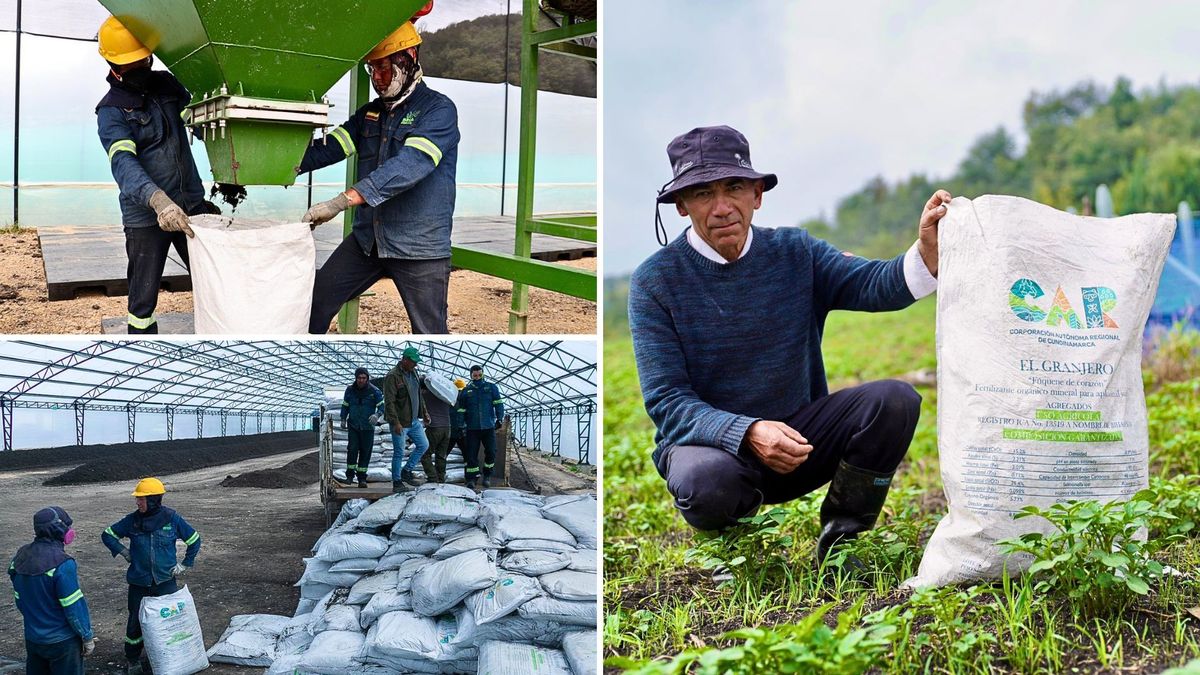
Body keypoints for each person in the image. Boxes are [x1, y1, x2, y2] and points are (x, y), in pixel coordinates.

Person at [629, 125, 949, 565]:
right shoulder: (655, 281)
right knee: (704, 479)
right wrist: (746, 432)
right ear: (682, 205)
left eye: (734, 187)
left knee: (893, 400)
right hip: (718, 453)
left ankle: (842, 540)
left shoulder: (796, 252)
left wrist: (926, 252)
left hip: (800, 441)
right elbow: (668, 401)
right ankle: (734, 547)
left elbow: (875, 284)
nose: (722, 207)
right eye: (703, 194)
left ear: (757, 194)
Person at [298, 19, 460, 334]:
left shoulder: (438, 110)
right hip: (367, 243)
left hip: (418, 248)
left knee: (430, 333)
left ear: (410, 60)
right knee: (315, 302)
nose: (379, 77)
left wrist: (342, 201)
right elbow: (332, 147)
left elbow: (411, 163)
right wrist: (279, 164)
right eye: (373, 70)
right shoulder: (370, 114)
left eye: (386, 68)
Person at [95, 16, 219, 334]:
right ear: (114, 66)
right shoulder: (111, 111)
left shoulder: (167, 85)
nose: (140, 69)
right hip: (146, 217)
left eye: (144, 61)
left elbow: (199, 121)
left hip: (189, 206)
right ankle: (141, 344)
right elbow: (124, 164)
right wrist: (159, 201)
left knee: (214, 279)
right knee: (142, 300)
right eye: (131, 64)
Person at [101, 478, 201, 674]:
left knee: (169, 622)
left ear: (154, 499)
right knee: (135, 622)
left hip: (165, 582)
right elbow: (107, 534)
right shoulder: (132, 520)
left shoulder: (172, 519)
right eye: (138, 499)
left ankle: (170, 657)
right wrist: (123, 551)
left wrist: (185, 564)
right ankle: (133, 660)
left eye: (142, 499)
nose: (138, 502)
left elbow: (194, 540)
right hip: (139, 583)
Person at [9, 507, 95, 675]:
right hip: (63, 643)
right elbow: (74, 608)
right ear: (58, 528)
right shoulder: (63, 564)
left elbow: (19, 598)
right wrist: (87, 635)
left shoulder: (20, 556)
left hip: (33, 639)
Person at [384, 347, 431, 490]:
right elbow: (389, 402)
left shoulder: (414, 373)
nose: (415, 365)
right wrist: (395, 422)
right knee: (399, 452)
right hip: (401, 422)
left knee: (424, 445)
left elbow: (418, 396)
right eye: (413, 362)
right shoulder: (393, 376)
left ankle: (406, 471)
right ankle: (397, 482)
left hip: (414, 421)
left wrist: (425, 413)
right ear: (404, 359)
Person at [455, 365, 505, 489]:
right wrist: (461, 425)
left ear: (482, 374)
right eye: (474, 375)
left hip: (488, 427)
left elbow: (498, 403)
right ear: (471, 376)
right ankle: (472, 479)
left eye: (479, 375)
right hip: (472, 428)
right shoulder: (466, 391)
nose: (477, 377)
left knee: (491, 452)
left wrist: (499, 418)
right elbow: (461, 410)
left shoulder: (491, 388)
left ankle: (487, 475)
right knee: (471, 455)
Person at [341, 367, 385, 487]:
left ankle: (362, 479)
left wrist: (377, 414)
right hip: (354, 425)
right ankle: (349, 476)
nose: (361, 380)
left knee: (365, 452)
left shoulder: (374, 391)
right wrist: (343, 419)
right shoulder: (350, 390)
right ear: (356, 378)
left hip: (367, 427)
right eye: (359, 378)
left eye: (364, 378)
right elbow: (345, 405)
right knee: (352, 449)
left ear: (367, 378)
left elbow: (382, 406)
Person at [419, 376, 460, 483]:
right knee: (441, 455)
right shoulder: (445, 395)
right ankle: (441, 478)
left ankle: (432, 477)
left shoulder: (425, 394)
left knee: (425, 454)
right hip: (447, 428)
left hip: (434, 428)